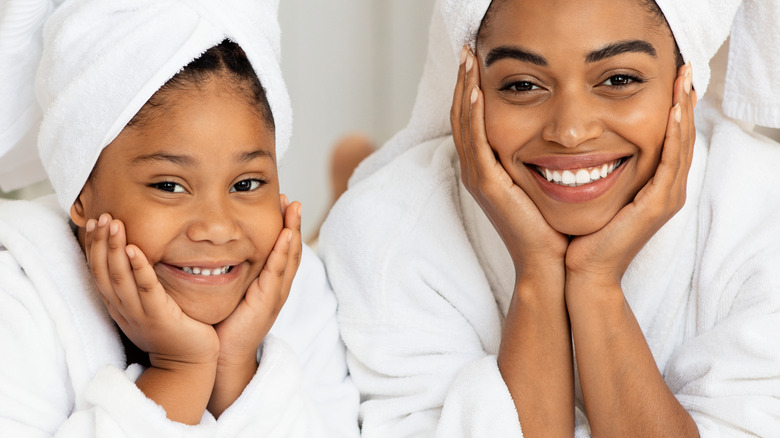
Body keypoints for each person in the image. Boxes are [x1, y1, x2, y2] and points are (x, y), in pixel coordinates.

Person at [319, 0, 780, 436]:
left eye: (618, 80)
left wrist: (595, 283)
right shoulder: (384, 229)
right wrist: (537, 271)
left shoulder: (762, 213)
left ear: (686, 82)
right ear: (469, 88)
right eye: (522, 85)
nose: (571, 131)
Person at [0, 0, 358, 436]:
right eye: (170, 186)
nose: (217, 228)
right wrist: (180, 371)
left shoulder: (296, 290)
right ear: (80, 191)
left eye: (245, 184)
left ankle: (338, 208)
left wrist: (237, 367)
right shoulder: (17, 305)